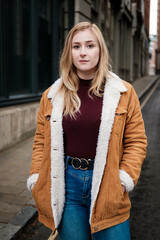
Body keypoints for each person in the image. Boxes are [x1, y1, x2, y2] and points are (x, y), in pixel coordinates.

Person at [27, 22, 147, 240]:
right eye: (76, 46)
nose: (82, 52)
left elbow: (136, 141)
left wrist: (123, 179)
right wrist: (36, 177)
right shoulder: (52, 95)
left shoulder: (123, 93)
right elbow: (40, 142)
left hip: (108, 183)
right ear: (69, 52)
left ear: (100, 50)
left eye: (90, 45)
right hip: (67, 186)